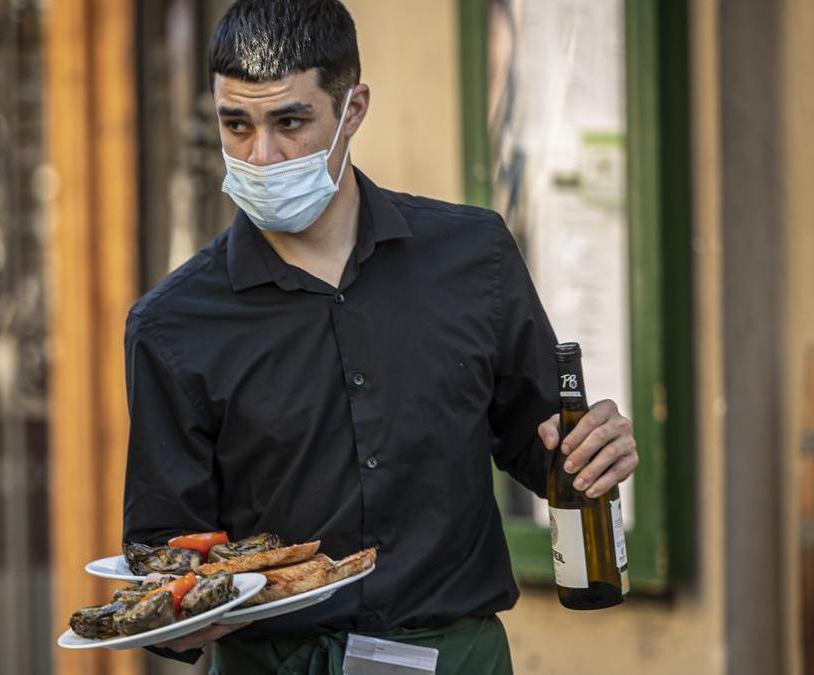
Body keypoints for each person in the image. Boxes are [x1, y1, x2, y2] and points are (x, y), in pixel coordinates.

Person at [120, 1, 639, 673]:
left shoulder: (473, 254)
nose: (261, 154)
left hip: (456, 656)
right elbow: (165, 553)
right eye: (236, 124)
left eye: (290, 121)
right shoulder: (172, 324)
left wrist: (592, 449)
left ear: (353, 108)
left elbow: (537, 442)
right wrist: (176, 619)